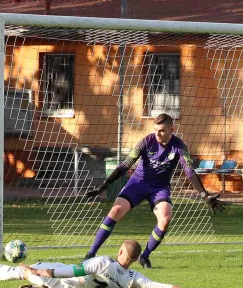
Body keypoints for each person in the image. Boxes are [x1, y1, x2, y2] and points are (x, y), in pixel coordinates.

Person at [84, 113, 226, 268]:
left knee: (165, 219)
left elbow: (190, 172)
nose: (158, 134)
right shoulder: (146, 141)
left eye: (162, 131)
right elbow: (125, 165)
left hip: (159, 188)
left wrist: (205, 196)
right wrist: (105, 184)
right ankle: (90, 254)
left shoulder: (179, 146)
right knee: (115, 211)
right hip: (138, 183)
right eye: (156, 130)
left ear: (171, 129)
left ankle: (144, 257)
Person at [0, 240, 204, 288]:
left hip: (65, 280)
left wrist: (39, 272)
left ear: (122, 252)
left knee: (19, 270)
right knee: (45, 276)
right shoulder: (133, 278)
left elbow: (71, 272)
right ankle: (42, 286)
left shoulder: (103, 262)